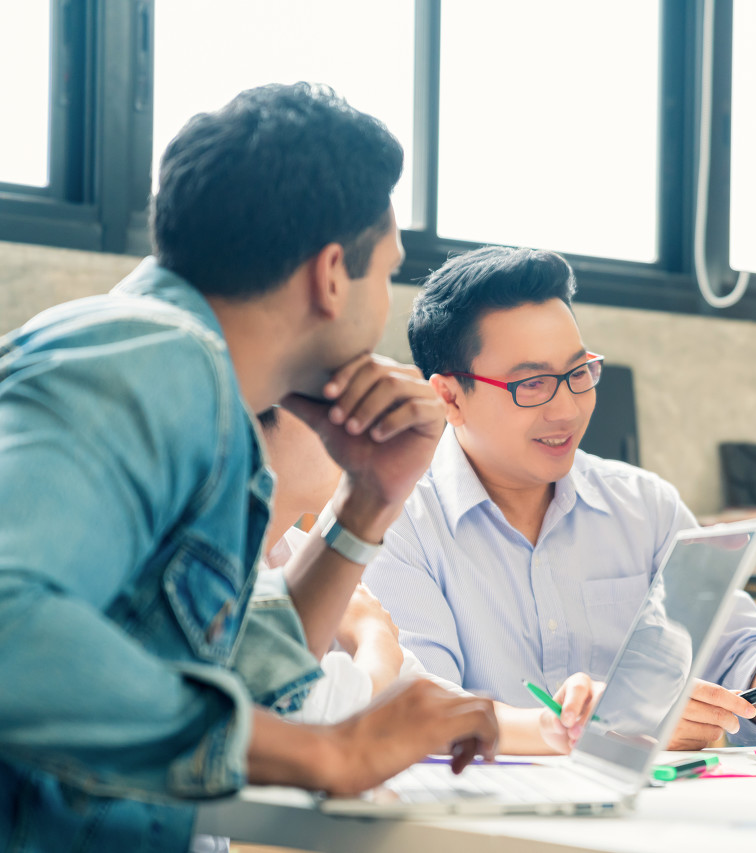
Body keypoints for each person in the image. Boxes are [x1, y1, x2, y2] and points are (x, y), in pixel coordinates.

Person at [0, 83, 498, 852]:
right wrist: (331, 751)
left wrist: (367, 503)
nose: (385, 307)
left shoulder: (194, 384)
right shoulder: (152, 358)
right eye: (388, 272)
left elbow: (221, 671)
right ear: (332, 273)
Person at [362, 245, 756, 749]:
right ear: (450, 397)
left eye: (577, 374)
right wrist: (608, 729)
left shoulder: (645, 507)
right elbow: (420, 708)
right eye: (533, 385)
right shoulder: (394, 523)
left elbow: (737, 662)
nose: (566, 410)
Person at [255, 402, 596, 751]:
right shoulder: (229, 584)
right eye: (320, 401)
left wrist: (554, 724)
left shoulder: (300, 556)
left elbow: (422, 703)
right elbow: (334, 722)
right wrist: (375, 638)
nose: (352, 427)